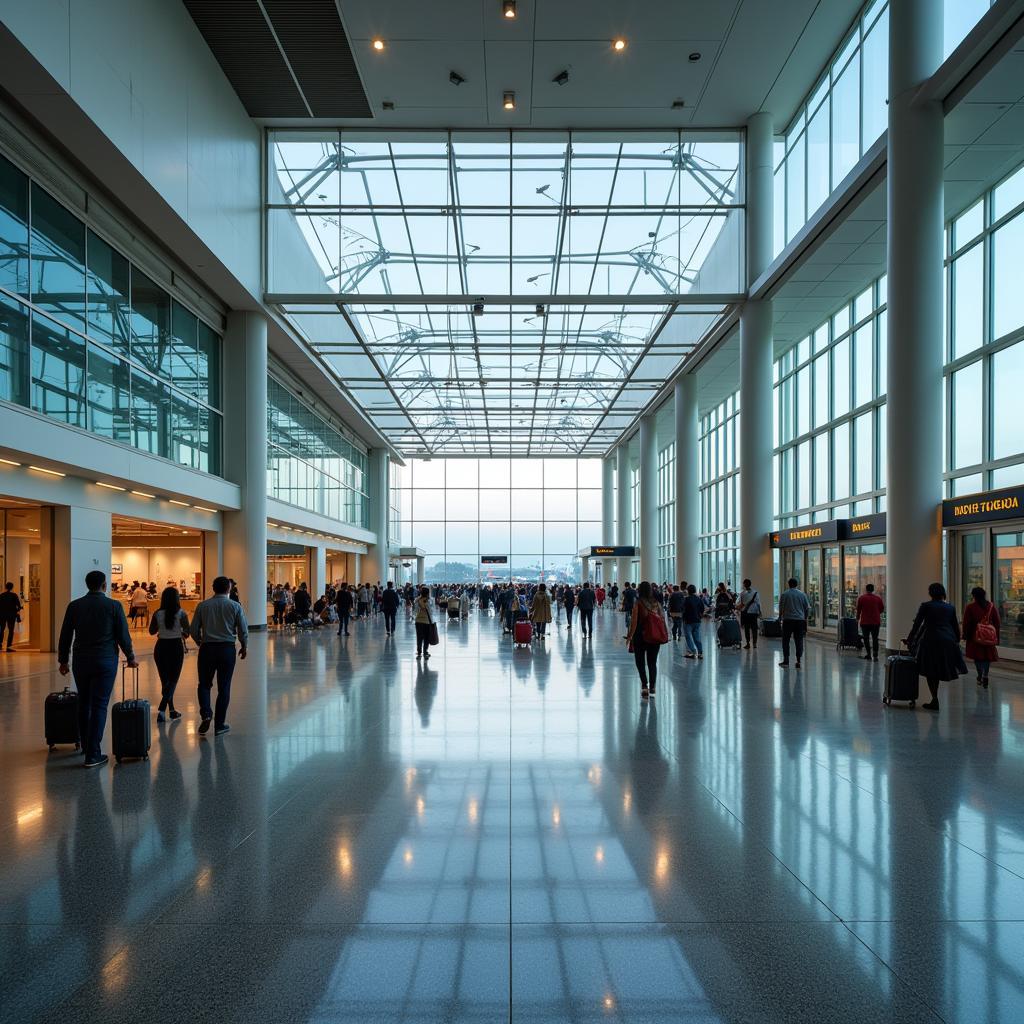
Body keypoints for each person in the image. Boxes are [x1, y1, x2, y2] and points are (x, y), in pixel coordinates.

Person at [57, 570, 137, 768]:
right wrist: (131, 657)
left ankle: (86, 746)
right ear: (104, 585)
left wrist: (63, 660)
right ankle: (93, 754)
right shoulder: (113, 606)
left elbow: (65, 634)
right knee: (100, 705)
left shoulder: (75, 606)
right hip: (105, 661)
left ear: (87, 585)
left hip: (81, 661)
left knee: (84, 702)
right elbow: (122, 636)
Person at [189, 576, 248, 737]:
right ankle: (220, 724)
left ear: (213, 588)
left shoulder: (203, 606)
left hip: (207, 649)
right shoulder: (235, 606)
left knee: (204, 684)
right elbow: (243, 630)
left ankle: (206, 714)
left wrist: (200, 641)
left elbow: (193, 629)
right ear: (229, 589)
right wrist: (244, 646)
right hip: (227, 649)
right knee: (224, 686)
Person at [905, 582, 967, 711]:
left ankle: (935, 698)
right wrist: (956, 640)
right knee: (940, 666)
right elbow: (955, 626)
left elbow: (917, 624)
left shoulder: (926, 606)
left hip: (931, 640)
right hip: (947, 640)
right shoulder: (950, 607)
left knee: (930, 669)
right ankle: (935, 698)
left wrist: (910, 639)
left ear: (930, 593)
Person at [149, 587, 189, 723]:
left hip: (161, 647)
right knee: (173, 680)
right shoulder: (182, 614)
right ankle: (162, 709)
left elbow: (151, 631)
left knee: (165, 681)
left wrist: (162, 629)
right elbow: (187, 633)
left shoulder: (157, 613)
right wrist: (179, 632)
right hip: (175, 647)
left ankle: (171, 711)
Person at [626, 581, 661, 699]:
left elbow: (634, 622)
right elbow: (662, 620)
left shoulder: (638, 603)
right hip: (654, 637)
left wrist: (630, 636)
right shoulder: (657, 603)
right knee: (652, 662)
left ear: (639, 590)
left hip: (640, 637)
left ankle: (644, 686)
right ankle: (653, 686)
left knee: (640, 662)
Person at [962, 586, 1000, 688]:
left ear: (974, 596)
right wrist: (996, 636)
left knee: (977, 658)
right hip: (988, 637)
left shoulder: (970, 607)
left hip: (975, 637)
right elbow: (997, 622)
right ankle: (985, 675)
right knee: (987, 658)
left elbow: (966, 623)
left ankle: (979, 675)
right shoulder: (991, 606)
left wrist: (965, 634)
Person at [778, 577, 811, 669]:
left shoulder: (785, 594)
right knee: (799, 640)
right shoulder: (802, 594)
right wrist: (805, 618)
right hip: (799, 621)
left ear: (788, 584)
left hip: (788, 620)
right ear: (797, 584)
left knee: (786, 640)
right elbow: (807, 608)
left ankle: (786, 661)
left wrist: (780, 618)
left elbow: (781, 608)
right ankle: (798, 660)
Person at [855, 583, 885, 661]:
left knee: (866, 638)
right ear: (873, 590)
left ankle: (868, 654)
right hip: (875, 622)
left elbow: (858, 610)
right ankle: (875, 655)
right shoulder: (878, 599)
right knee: (875, 638)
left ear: (866, 589)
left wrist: (857, 618)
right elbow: (882, 609)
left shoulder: (861, 598)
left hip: (865, 622)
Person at [736, 579, 761, 649]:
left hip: (745, 613)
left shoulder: (742, 593)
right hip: (753, 613)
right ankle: (755, 643)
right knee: (754, 628)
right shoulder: (755, 593)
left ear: (744, 584)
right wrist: (759, 612)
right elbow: (758, 604)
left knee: (747, 629)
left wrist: (737, 608)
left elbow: (741, 604)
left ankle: (748, 643)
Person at [682, 584, 704, 659]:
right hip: (697, 620)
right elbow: (702, 608)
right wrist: (700, 615)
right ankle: (700, 652)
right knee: (697, 637)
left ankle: (692, 651)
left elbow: (683, 609)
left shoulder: (686, 599)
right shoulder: (698, 599)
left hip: (688, 621)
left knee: (688, 637)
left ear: (688, 591)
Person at [0, 581, 22, 651]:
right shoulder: (14, 595)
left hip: (2, 615)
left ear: (5, 587)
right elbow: (19, 605)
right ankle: (8, 647)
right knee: (11, 630)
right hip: (11, 615)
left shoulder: (1, 595)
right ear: (12, 587)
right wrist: (18, 610)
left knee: (1, 630)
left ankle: (0, 645)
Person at [414, 585, 434, 659]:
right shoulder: (430, 601)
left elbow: (415, 611)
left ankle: (419, 652)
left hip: (418, 621)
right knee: (426, 637)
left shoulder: (417, 600)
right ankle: (425, 652)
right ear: (428, 593)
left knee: (419, 637)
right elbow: (431, 611)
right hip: (427, 621)